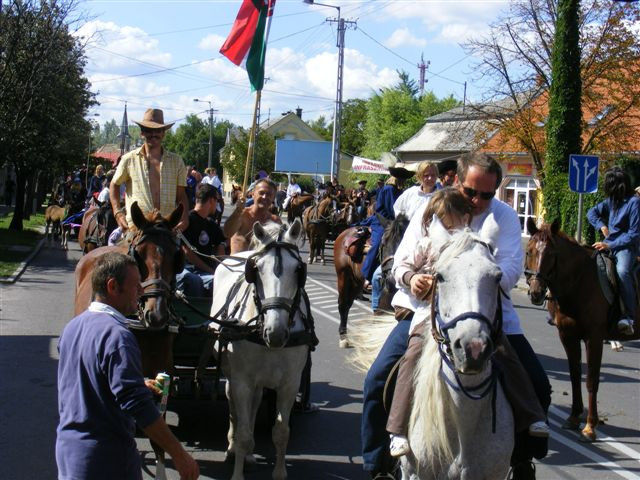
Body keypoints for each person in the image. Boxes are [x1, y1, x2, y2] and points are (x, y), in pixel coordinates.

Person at [362, 152, 551, 480]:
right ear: (455, 181)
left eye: (487, 194)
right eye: (470, 192)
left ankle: (521, 461)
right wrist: (411, 279)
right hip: (425, 311)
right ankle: (378, 466)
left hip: (492, 316)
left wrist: (476, 273)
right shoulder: (432, 209)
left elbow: (509, 270)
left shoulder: (503, 218)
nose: (478, 201)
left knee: (539, 384)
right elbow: (402, 259)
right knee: (377, 379)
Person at [56, 252, 199, 480]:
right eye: (135, 286)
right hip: (107, 458)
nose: (142, 292)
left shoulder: (72, 328)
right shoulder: (118, 336)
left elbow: (88, 376)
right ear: (113, 286)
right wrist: (179, 453)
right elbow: (137, 404)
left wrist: (137, 382)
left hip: (69, 451)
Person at [109, 108, 189, 234]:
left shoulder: (176, 162)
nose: (153, 134)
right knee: (111, 249)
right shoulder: (128, 160)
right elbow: (114, 184)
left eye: (157, 130)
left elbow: (181, 195)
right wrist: (118, 213)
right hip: (137, 228)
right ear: (142, 133)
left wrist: (184, 218)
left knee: (186, 253)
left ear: (163, 133)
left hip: (167, 229)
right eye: (149, 130)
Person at [587, 166, 640, 335]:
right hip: (608, 243)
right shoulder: (611, 201)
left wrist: (610, 245)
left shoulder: (634, 203)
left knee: (623, 271)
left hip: (626, 248)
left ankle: (629, 317)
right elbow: (591, 213)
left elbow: (634, 234)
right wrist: (601, 226)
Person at [360, 168, 412, 293]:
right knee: (377, 243)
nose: (403, 181)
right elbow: (392, 209)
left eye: (404, 179)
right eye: (402, 179)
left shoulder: (399, 190)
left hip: (394, 222)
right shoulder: (389, 189)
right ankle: (365, 276)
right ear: (397, 179)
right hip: (382, 221)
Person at [176, 184, 225, 297]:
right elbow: (188, 254)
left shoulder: (211, 224)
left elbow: (221, 247)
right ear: (212, 200)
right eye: (217, 201)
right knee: (194, 281)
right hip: (187, 269)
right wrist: (211, 271)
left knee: (221, 282)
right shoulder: (186, 221)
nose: (217, 205)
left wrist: (220, 270)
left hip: (206, 273)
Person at [223, 178, 282, 254]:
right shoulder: (242, 215)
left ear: (273, 198)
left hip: (263, 265)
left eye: (269, 194)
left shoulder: (275, 221)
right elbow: (227, 233)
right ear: (253, 194)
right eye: (261, 193)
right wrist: (237, 211)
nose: (265, 197)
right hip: (238, 264)